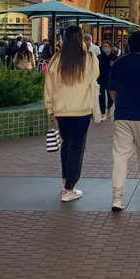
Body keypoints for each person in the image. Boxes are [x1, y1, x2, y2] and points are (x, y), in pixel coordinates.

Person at [44, 25, 100, 202]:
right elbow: (95, 77)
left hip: (61, 110)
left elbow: (48, 87)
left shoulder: (55, 60)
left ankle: (65, 180)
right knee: (77, 146)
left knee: (66, 144)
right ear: (81, 39)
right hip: (82, 110)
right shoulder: (89, 58)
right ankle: (70, 187)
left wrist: (50, 108)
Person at [108, 31, 140, 211]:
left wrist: (119, 103)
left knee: (120, 156)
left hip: (122, 115)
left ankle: (117, 197)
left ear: (128, 45)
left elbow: (111, 89)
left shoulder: (118, 63)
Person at [97, 40, 117, 120]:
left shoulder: (114, 57)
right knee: (101, 96)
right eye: (104, 46)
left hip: (110, 80)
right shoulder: (99, 57)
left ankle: (108, 109)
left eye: (107, 46)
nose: (105, 48)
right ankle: (103, 113)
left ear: (110, 47)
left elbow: (116, 69)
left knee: (110, 97)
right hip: (101, 79)